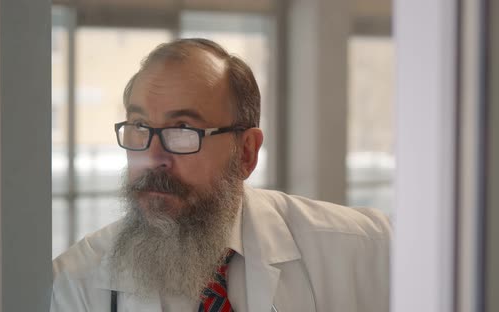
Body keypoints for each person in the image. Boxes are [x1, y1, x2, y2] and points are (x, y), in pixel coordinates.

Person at [51, 38, 391, 312]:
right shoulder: (76, 282)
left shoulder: (364, 250)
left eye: (183, 130)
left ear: (246, 152)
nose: (153, 157)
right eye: (139, 127)